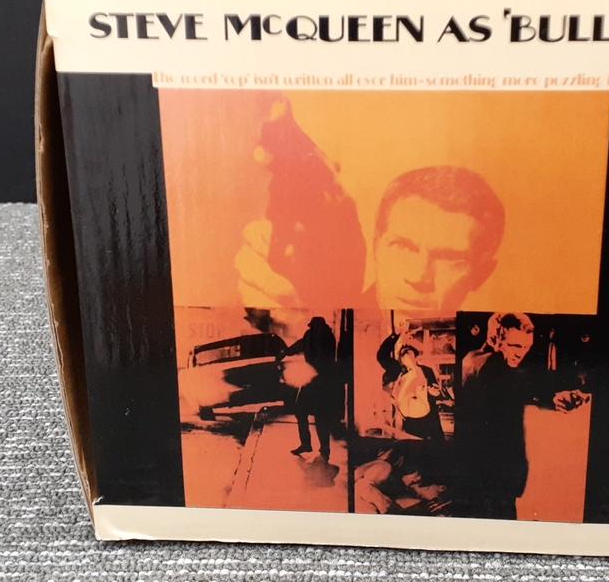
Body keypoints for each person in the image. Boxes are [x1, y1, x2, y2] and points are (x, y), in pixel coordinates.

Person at [237, 164, 505, 313]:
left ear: (481, 275)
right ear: (376, 245)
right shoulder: (319, 323)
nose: (419, 277)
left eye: (448, 258)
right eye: (402, 246)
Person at [456, 312, 587, 519]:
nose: (521, 354)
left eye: (526, 347)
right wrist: (552, 397)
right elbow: (515, 382)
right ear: (495, 339)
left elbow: (509, 390)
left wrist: (551, 399)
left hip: (477, 469)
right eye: (515, 346)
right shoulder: (492, 363)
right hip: (495, 473)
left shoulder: (470, 359)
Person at [281, 317, 341, 464]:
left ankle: (323, 449)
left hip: (324, 381)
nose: (315, 330)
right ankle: (308, 444)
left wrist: (286, 351)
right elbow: (299, 345)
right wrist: (285, 351)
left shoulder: (326, 338)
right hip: (314, 380)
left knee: (319, 416)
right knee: (302, 411)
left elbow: (320, 357)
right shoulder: (312, 336)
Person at [378, 341, 446, 441]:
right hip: (409, 418)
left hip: (428, 416)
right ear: (401, 360)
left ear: (415, 357)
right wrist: (394, 336)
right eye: (404, 356)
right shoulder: (398, 373)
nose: (407, 358)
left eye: (410, 354)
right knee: (412, 443)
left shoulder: (426, 371)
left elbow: (437, 392)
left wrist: (435, 393)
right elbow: (382, 357)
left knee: (434, 444)